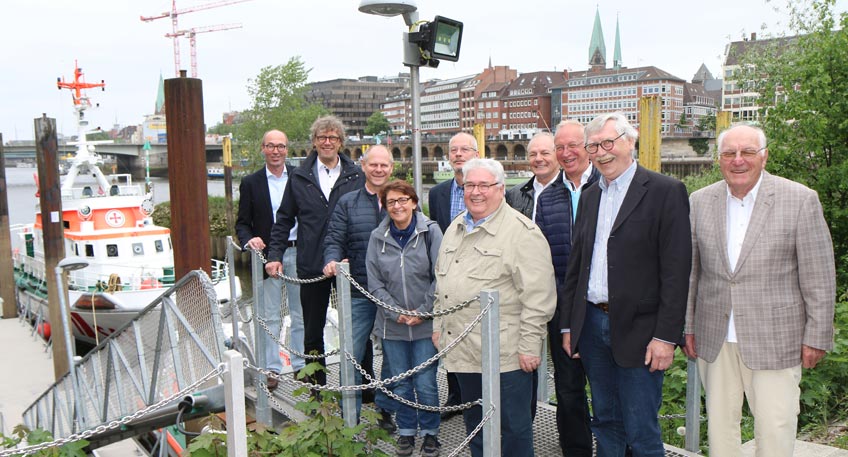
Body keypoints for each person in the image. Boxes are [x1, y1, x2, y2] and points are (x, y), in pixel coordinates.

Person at [683, 124, 835, 457]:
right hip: (715, 336)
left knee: (775, 430)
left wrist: (817, 335)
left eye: (748, 152)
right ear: (719, 160)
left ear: (764, 157)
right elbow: (692, 273)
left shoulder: (799, 199)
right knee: (721, 432)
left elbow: (819, 276)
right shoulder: (699, 201)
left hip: (777, 338)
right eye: (729, 153)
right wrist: (688, 327)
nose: (738, 160)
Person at [560, 112, 692, 457]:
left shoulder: (665, 191)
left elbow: (677, 272)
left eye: (609, 143)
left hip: (642, 331)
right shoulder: (590, 195)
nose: (602, 152)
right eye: (594, 146)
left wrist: (666, 337)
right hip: (592, 325)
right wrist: (570, 325)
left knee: (641, 428)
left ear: (629, 142)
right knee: (604, 420)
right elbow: (577, 267)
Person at [433, 158, 557, 457]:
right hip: (464, 350)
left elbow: (539, 296)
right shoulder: (455, 227)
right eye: (469, 185)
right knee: (476, 426)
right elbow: (442, 284)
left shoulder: (522, 233)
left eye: (484, 186)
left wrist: (529, 345)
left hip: (507, 355)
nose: (476, 192)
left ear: (501, 189)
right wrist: (439, 327)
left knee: (513, 430)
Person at [505, 125, 597, 457]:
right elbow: (540, 257)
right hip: (559, 304)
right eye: (558, 147)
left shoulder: (608, 185)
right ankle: (576, 449)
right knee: (569, 386)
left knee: (607, 388)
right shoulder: (545, 197)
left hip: (603, 305)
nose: (563, 153)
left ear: (589, 147)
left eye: (571, 145)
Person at [265, 115, 364, 385]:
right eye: (322, 138)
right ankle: (317, 386)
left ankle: (362, 386)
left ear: (341, 142)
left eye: (333, 138)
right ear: (314, 142)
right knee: (312, 328)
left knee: (357, 326)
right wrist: (274, 255)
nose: (327, 142)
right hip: (311, 262)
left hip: (348, 264)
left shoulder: (355, 174)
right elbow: (284, 218)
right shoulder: (300, 177)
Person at [366, 179, 443, 457]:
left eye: (402, 200)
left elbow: (440, 275)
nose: (397, 206)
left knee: (425, 382)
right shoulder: (378, 237)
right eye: (391, 202)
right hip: (392, 326)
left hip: (426, 324)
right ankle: (407, 432)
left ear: (413, 202)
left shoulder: (431, 232)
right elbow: (374, 283)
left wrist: (423, 312)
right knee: (400, 381)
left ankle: (431, 433)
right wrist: (394, 312)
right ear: (384, 207)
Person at [323, 145, 396, 430]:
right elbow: (334, 239)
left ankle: (385, 412)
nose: (379, 170)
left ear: (391, 168)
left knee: (394, 356)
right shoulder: (348, 202)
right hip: (358, 291)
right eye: (373, 165)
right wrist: (331, 260)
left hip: (393, 294)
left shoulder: (401, 201)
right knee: (351, 356)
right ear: (363, 166)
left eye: (384, 165)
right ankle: (348, 418)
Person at [235, 129, 304, 389]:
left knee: (301, 314)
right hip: (266, 256)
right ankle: (271, 369)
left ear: (287, 150)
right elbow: (242, 223)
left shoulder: (300, 177)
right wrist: (248, 239)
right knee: (269, 315)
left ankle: (300, 366)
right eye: (271, 146)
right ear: (262, 149)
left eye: (281, 146)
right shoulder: (251, 183)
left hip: (300, 251)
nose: (276, 151)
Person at [427, 132, 477, 417]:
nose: (458, 154)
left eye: (464, 149)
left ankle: (476, 395)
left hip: (479, 272)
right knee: (449, 333)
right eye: (453, 150)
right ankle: (455, 397)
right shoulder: (438, 193)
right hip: (448, 274)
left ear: (476, 153)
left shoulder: (488, 187)